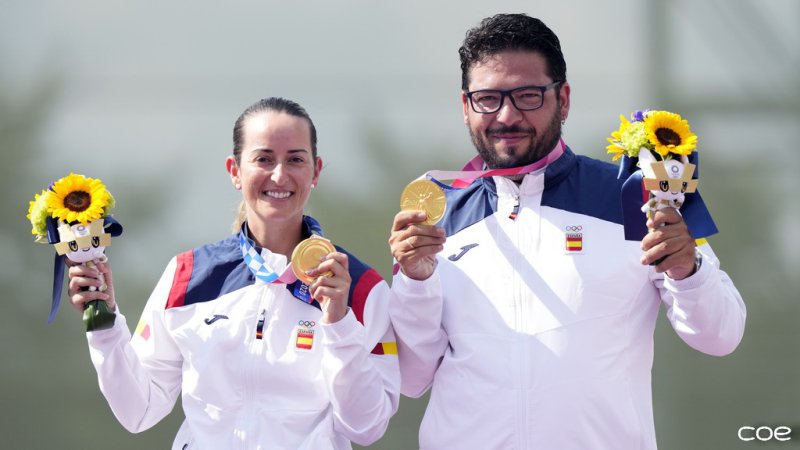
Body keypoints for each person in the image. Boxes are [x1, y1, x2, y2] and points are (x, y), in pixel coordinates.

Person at [388, 14, 746, 450]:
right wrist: (414, 282)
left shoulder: (636, 196)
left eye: (527, 95)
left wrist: (689, 269)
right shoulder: (435, 219)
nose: (507, 115)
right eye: (487, 99)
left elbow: (720, 335)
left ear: (563, 99)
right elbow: (412, 377)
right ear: (466, 107)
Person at [68, 97, 400, 449]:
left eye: (295, 160)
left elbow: (366, 427)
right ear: (234, 171)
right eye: (264, 159)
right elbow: (139, 410)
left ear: (315, 171)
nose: (279, 175)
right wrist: (104, 326)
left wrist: (339, 324)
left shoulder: (359, 288)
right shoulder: (187, 276)